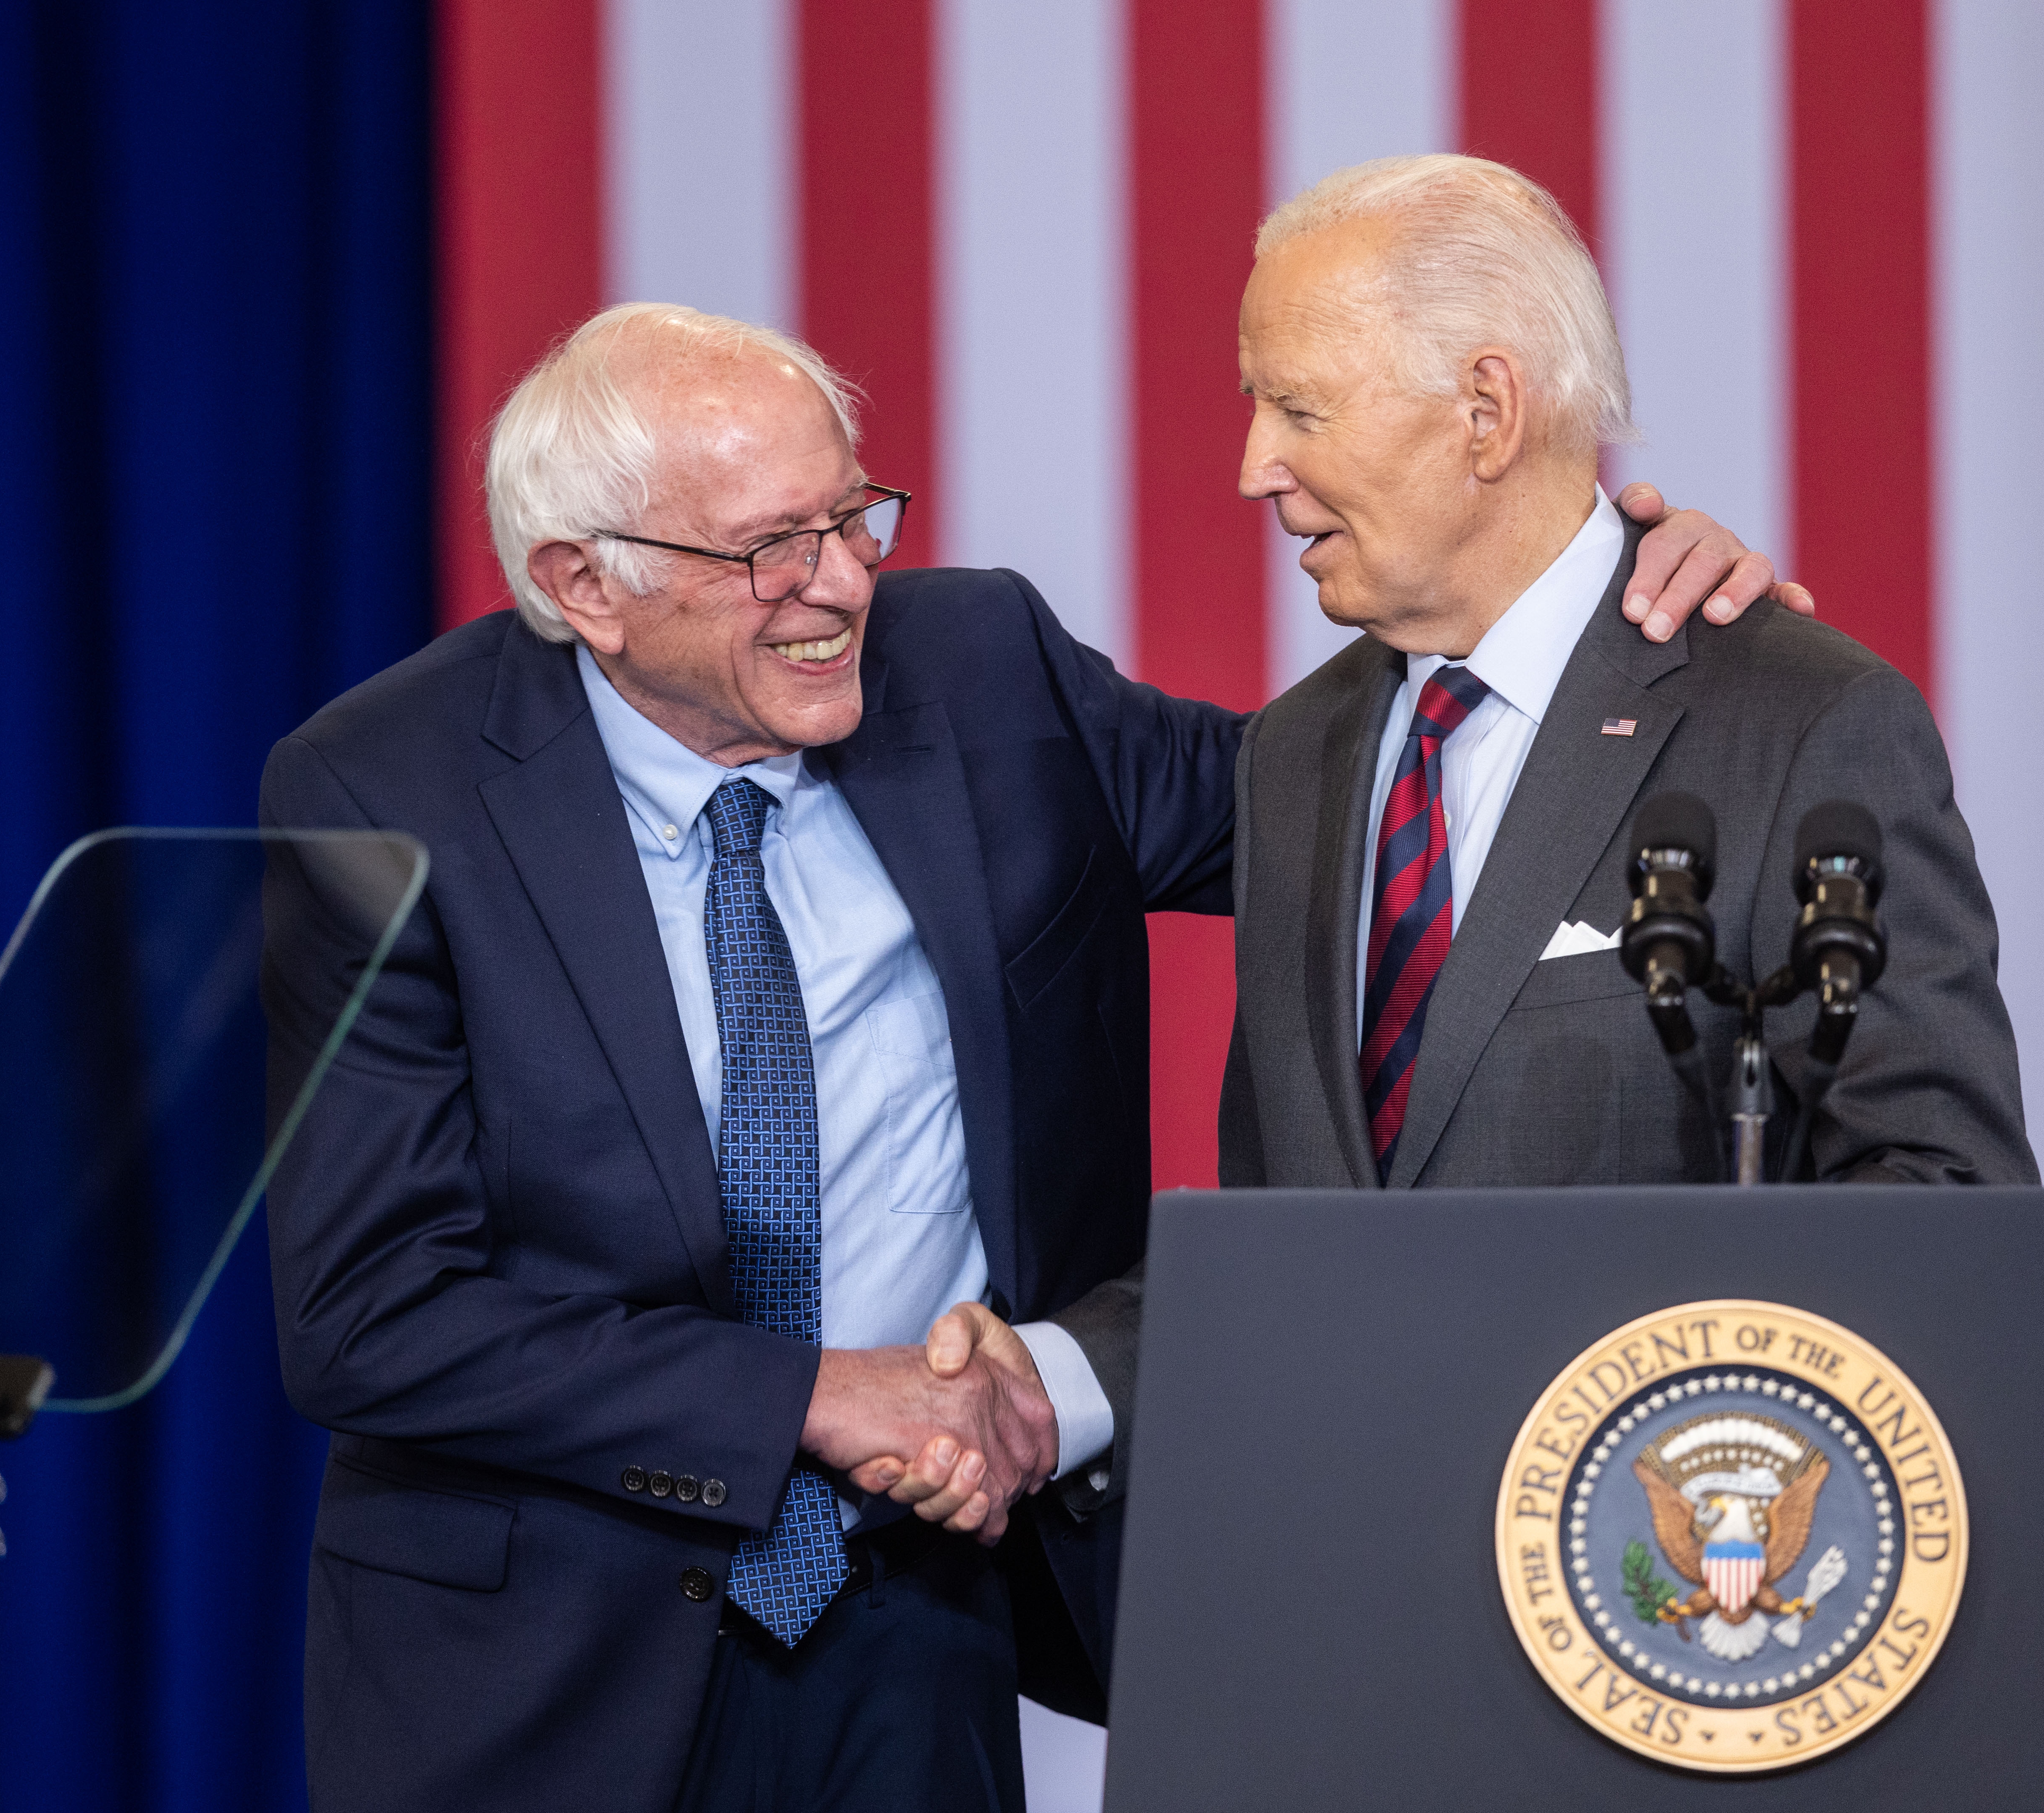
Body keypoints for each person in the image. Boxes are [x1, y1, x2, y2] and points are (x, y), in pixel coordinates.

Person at [258, 300, 1787, 1813]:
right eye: (769, 547)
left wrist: (1586, 605)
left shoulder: (982, 670)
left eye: (854, 514)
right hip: (541, 1654)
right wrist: (803, 1393)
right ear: (582, 583)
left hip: (921, 1607)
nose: (842, 583)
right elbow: (371, 1313)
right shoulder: (386, 787)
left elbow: (1379, 806)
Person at [1208, 154, 2036, 1192]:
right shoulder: (1290, 753)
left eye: (1299, 409)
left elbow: (1941, 1191)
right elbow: (1263, 1251)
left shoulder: (1801, 726)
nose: (1253, 468)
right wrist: (1051, 1357)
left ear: (1485, 410)